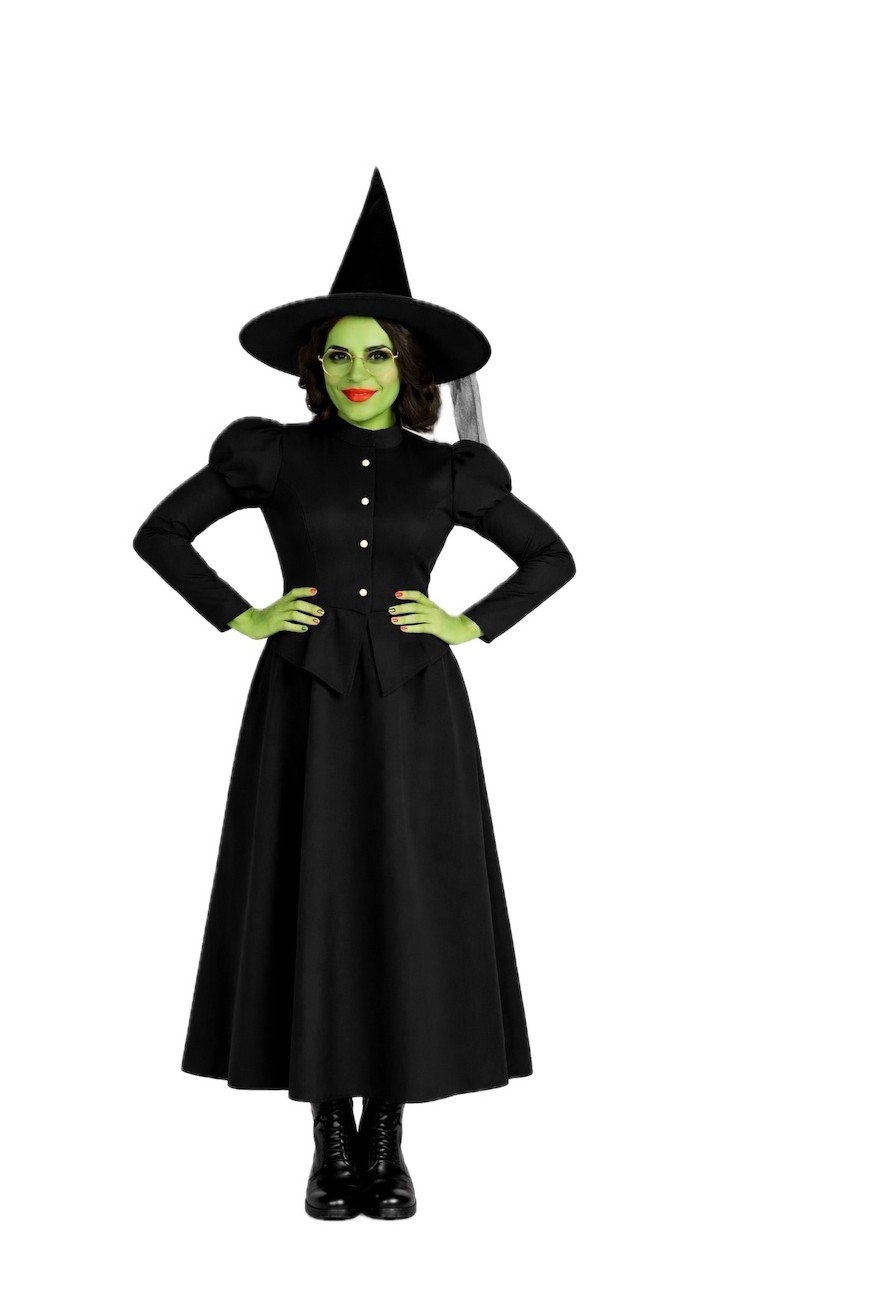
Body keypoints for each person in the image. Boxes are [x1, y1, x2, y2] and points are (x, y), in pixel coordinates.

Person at [132, 170, 576, 1221]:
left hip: (418, 711)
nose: (357, 372)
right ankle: (329, 1137)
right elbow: (161, 534)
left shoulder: (449, 472)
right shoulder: (272, 455)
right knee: (314, 891)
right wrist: (241, 614)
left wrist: (470, 622)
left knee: (405, 900)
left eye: (376, 354)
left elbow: (550, 559)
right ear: (314, 368)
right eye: (337, 355)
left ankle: (389, 1138)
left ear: (407, 365)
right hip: (304, 703)